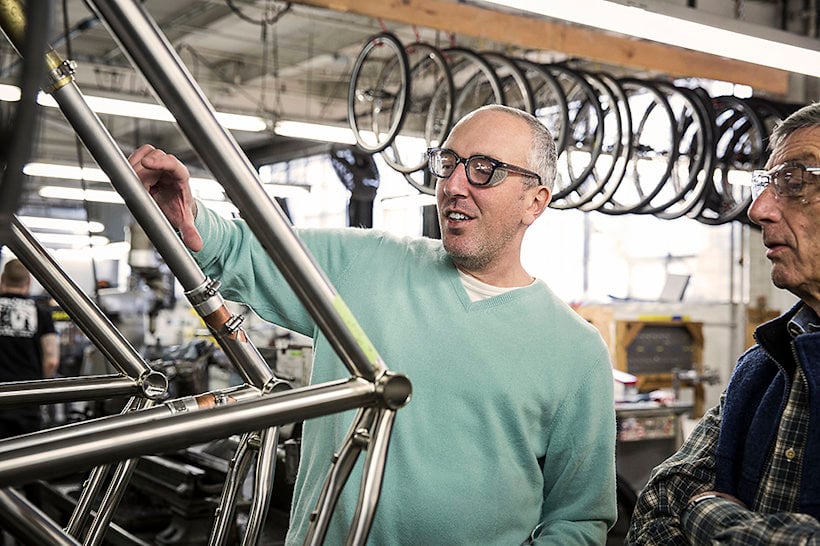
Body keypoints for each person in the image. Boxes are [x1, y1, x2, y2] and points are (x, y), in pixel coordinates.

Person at [131, 104, 617, 545]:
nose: (453, 185)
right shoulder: (364, 264)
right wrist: (185, 213)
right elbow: (241, 251)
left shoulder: (574, 351)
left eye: (483, 170)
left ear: (535, 202)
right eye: (447, 164)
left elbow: (578, 520)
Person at [625, 101, 820, 545]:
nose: (758, 210)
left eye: (793, 182)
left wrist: (702, 512)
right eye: (767, 184)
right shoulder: (762, 366)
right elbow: (659, 499)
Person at [0, 258, 59, 439]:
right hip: (26, 401)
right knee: (23, 461)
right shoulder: (41, 313)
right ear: (28, 282)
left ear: (2, 279)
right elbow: (52, 360)